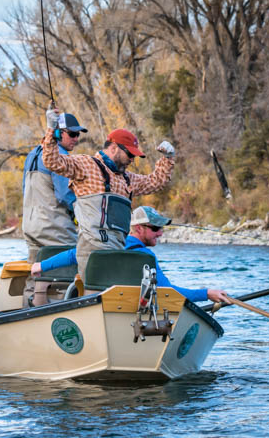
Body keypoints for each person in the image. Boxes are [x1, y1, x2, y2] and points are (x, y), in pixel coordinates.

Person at [40, 104, 175, 279]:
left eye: (135, 156)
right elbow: (52, 162)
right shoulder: (85, 164)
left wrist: (168, 158)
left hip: (118, 251)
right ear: (113, 148)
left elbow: (156, 182)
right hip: (91, 253)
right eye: (130, 155)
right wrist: (51, 128)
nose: (132, 160)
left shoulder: (127, 178)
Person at [31, 205, 229, 303]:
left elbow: (74, 255)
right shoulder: (145, 257)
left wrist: (41, 266)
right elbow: (167, 292)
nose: (160, 233)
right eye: (155, 228)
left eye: (161, 229)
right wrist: (206, 293)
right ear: (139, 229)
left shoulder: (108, 245)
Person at [21, 110, 87, 304]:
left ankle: (27, 310)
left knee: (34, 271)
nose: (76, 138)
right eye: (72, 134)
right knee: (75, 259)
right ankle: (66, 309)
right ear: (58, 133)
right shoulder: (59, 157)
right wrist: (84, 215)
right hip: (52, 226)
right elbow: (66, 195)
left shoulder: (33, 154)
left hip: (30, 225)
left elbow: (25, 190)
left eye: (78, 134)